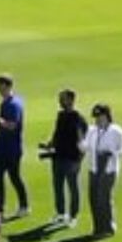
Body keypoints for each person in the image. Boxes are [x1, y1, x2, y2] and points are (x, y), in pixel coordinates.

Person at [0, 74, 30, 218]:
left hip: (11, 148)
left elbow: (12, 125)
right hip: (1, 147)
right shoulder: (7, 102)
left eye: (1, 86)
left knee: (14, 177)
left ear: (8, 86)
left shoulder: (13, 104)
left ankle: (24, 206)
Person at [80, 104, 122, 238]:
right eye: (96, 118)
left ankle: (108, 227)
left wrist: (111, 153)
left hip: (109, 169)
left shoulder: (116, 131)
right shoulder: (92, 130)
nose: (98, 120)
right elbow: (86, 146)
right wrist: (79, 143)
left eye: (100, 117)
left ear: (107, 116)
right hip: (94, 168)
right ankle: (98, 227)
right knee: (93, 198)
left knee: (103, 198)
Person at [43, 89, 88, 227]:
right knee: (58, 187)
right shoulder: (61, 115)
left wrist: (79, 158)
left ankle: (73, 216)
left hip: (71, 158)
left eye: (63, 98)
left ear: (71, 100)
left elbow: (82, 139)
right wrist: (50, 144)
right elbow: (57, 134)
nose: (60, 101)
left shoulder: (77, 118)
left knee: (72, 187)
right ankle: (61, 213)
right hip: (58, 156)